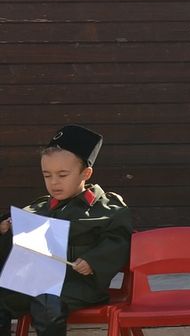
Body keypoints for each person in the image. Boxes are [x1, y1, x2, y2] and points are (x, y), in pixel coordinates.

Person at [0, 126, 132, 336]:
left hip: (79, 285)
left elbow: (119, 239)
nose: (54, 182)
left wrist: (93, 261)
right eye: (47, 175)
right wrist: (5, 230)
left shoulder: (107, 208)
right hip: (36, 280)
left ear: (86, 173)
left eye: (62, 175)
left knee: (46, 303)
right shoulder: (37, 208)